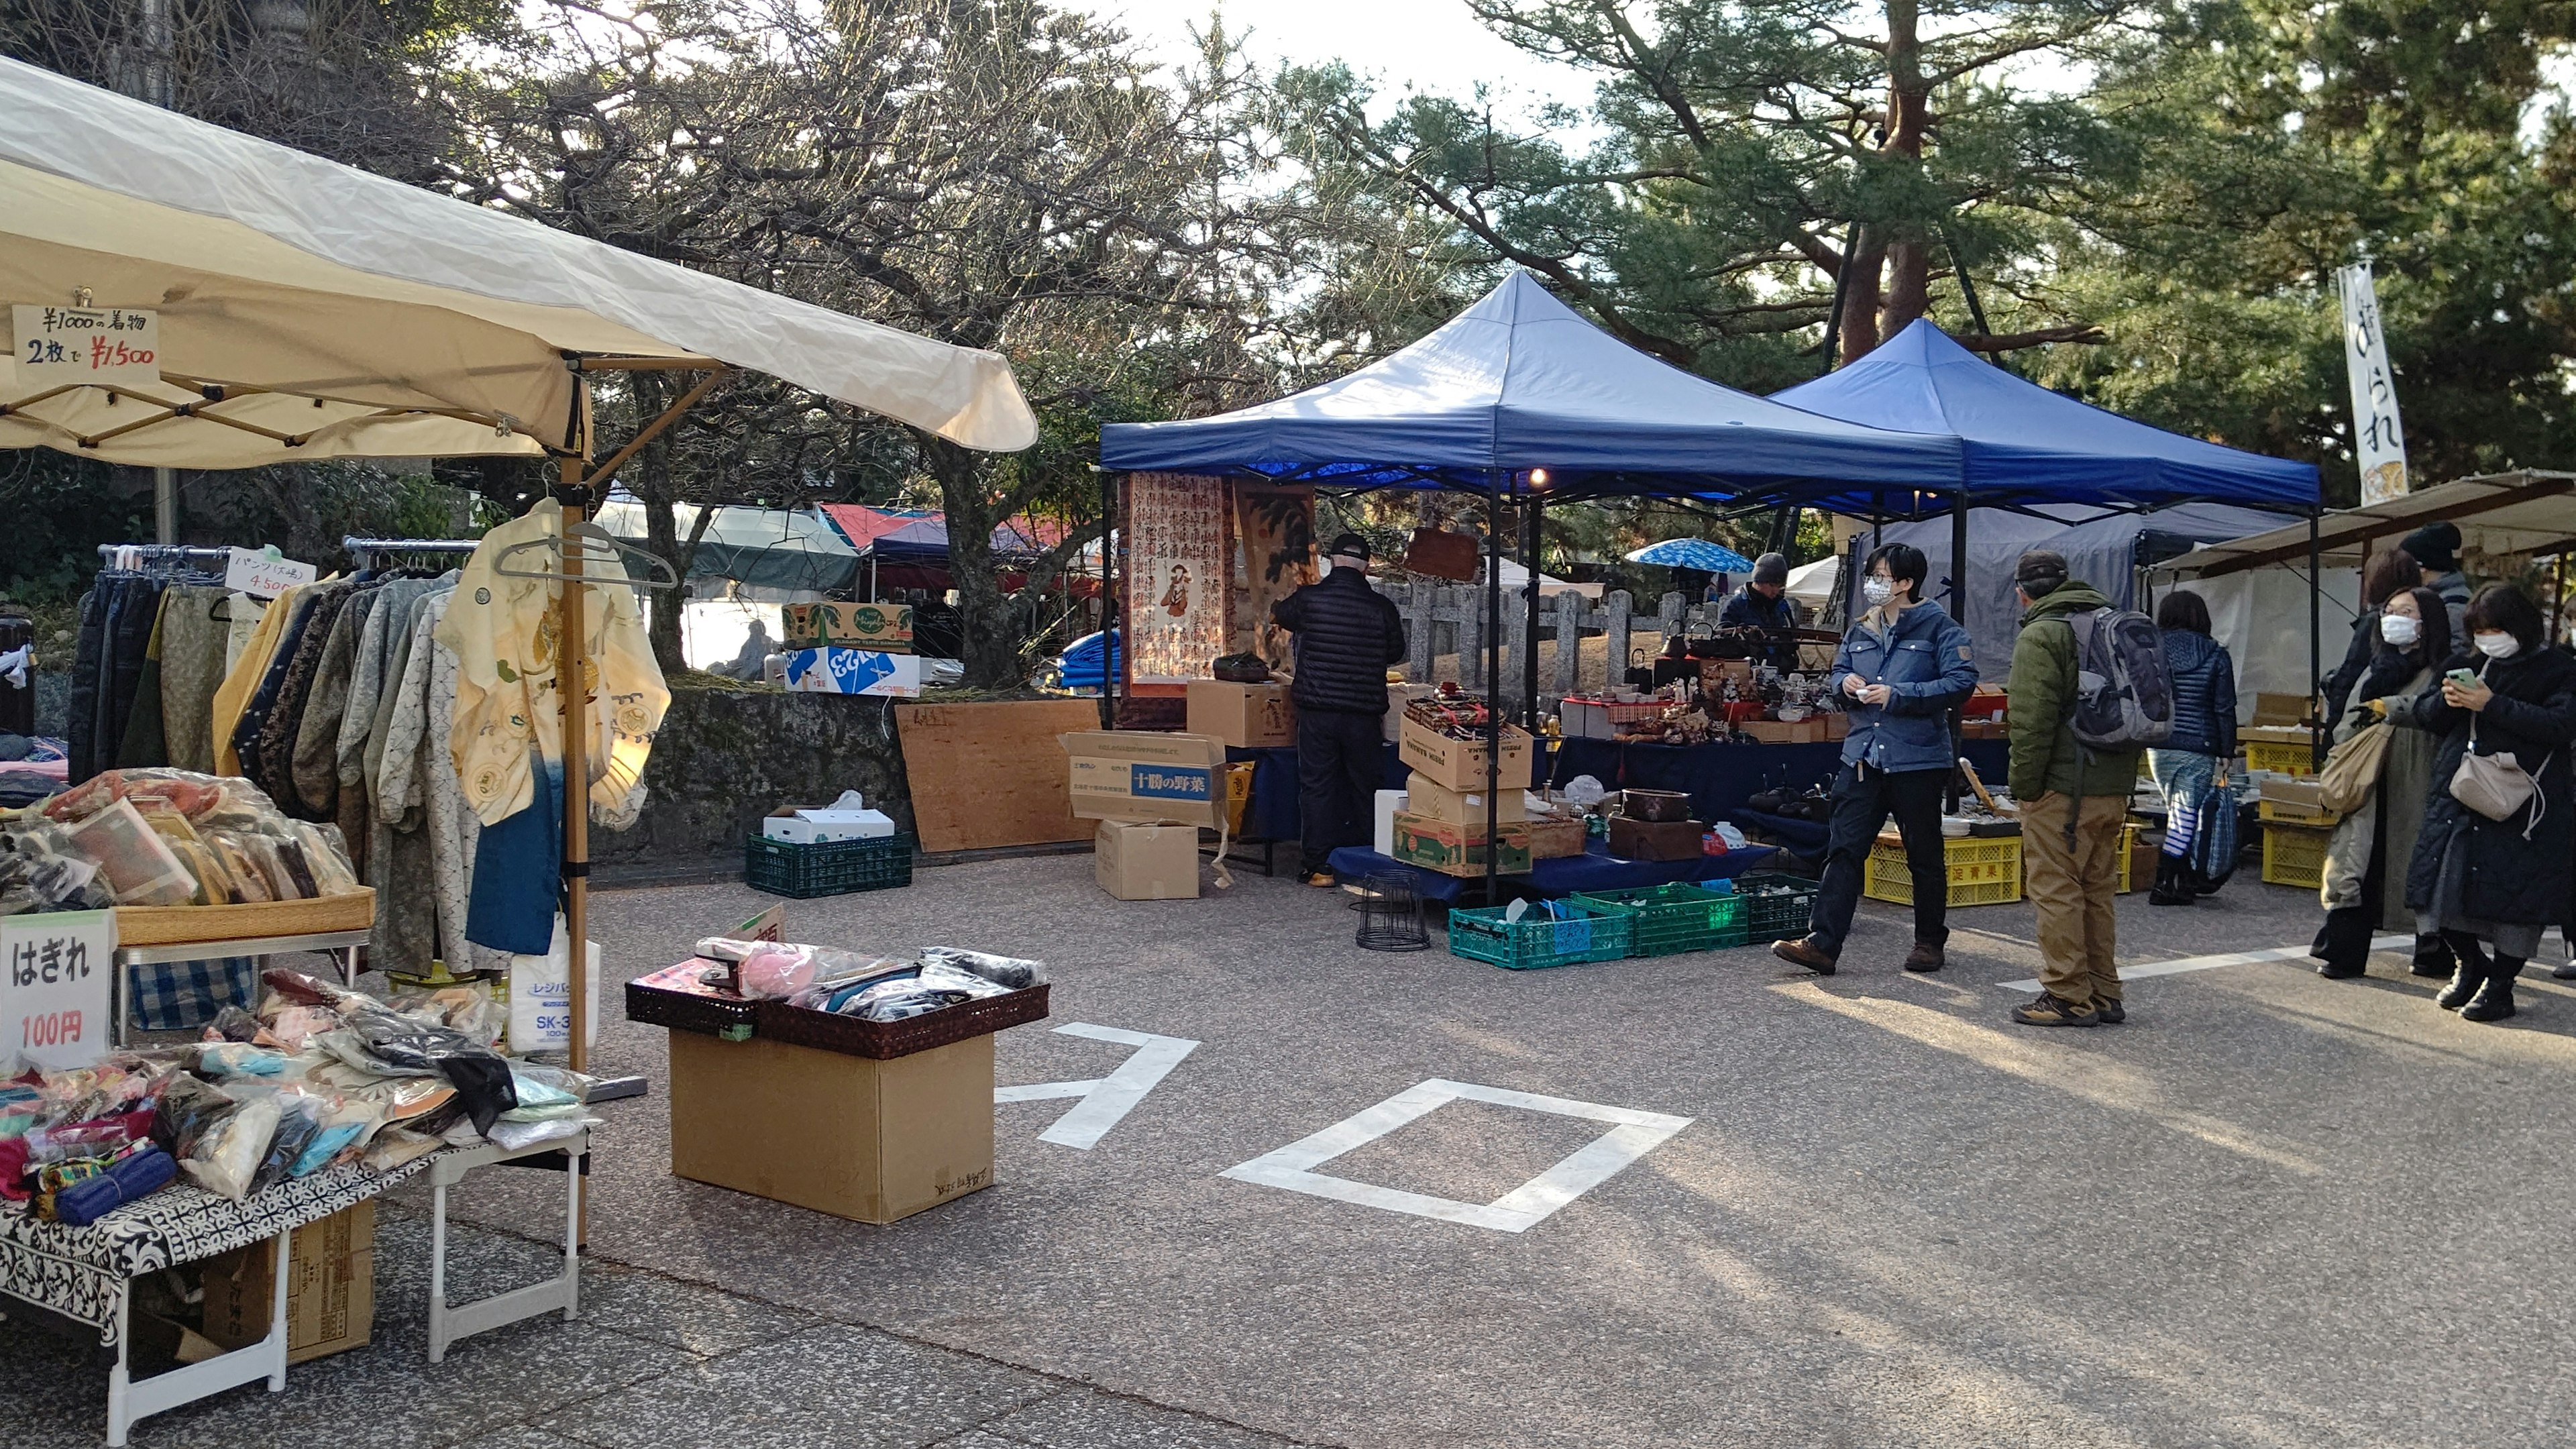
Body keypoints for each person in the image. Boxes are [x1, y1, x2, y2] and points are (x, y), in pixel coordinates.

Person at [1772, 543, 1978, 976]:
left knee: (1923, 853)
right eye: (1872, 575)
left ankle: (1928, 942)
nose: (1873, 584)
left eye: (1882, 576)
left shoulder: (1940, 628)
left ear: (1906, 583)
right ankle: (1821, 945)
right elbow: (1834, 675)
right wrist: (1842, 683)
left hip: (1917, 760)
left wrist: (1900, 695)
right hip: (1862, 756)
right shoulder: (1859, 628)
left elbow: (1961, 683)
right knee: (1843, 850)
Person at [2394, 584, 2576, 1022]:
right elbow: (2431, 718)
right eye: (2480, 629)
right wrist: (2450, 698)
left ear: (2519, 626)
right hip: (2459, 793)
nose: (2488, 637)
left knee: (2516, 899)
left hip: (2525, 802)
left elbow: (2560, 725)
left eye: (2495, 628)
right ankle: (2469, 964)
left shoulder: (2557, 668)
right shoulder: (2471, 664)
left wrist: (2491, 704)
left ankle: (2502, 985)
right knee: (2440, 887)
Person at [2004, 550, 2145, 1027]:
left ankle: (2066, 995)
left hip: (2064, 787)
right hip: (2114, 784)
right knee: (2097, 891)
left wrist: (2025, 788)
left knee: (2057, 890)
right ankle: (2104, 991)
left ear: (2022, 592)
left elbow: (2030, 723)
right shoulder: (2106, 623)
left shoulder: (2042, 633)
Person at [2316, 586, 2457, 979]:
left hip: (2418, 780)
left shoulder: (2443, 670)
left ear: (2428, 622)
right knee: (2355, 863)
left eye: (2407, 611)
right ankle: (2342, 952)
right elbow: (2348, 719)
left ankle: (2432, 949)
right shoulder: (2376, 667)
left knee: (2417, 865)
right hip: (2369, 782)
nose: (2394, 618)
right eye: (2390, 610)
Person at [1271, 533, 1409, 886]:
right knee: (1366, 786)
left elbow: (1280, 614)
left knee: (1318, 785)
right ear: (1366, 568)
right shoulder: (1382, 608)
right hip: (1364, 713)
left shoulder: (1309, 600)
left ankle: (1319, 866)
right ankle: (1366, 863)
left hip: (1318, 711)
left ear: (1332, 561)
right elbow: (1395, 653)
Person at [2147, 590, 2238, 905]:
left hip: (2160, 744)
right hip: (2200, 746)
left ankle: (2183, 882)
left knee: (2177, 813)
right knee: (2185, 815)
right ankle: (2163, 883)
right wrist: (2228, 751)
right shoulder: (2216, 654)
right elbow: (2224, 707)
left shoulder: (2153, 650)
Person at [2322, 547, 2420, 729]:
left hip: (2372, 716)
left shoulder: (2374, 622)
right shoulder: (2428, 615)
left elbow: (2351, 673)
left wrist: (2333, 727)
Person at [1720, 551, 1801, 669]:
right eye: (1772, 585)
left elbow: (1792, 636)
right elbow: (1723, 640)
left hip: (1783, 671)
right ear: (1759, 580)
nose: (1776, 591)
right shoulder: (1735, 605)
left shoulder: (1782, 606)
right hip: (1747, 672)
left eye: (1780, 586)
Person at [2401, 521, 2471, 643]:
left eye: (2405, 566)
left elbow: (2457, 651)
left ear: (2421, 568)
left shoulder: (2454, 606)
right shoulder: (2435, 596)